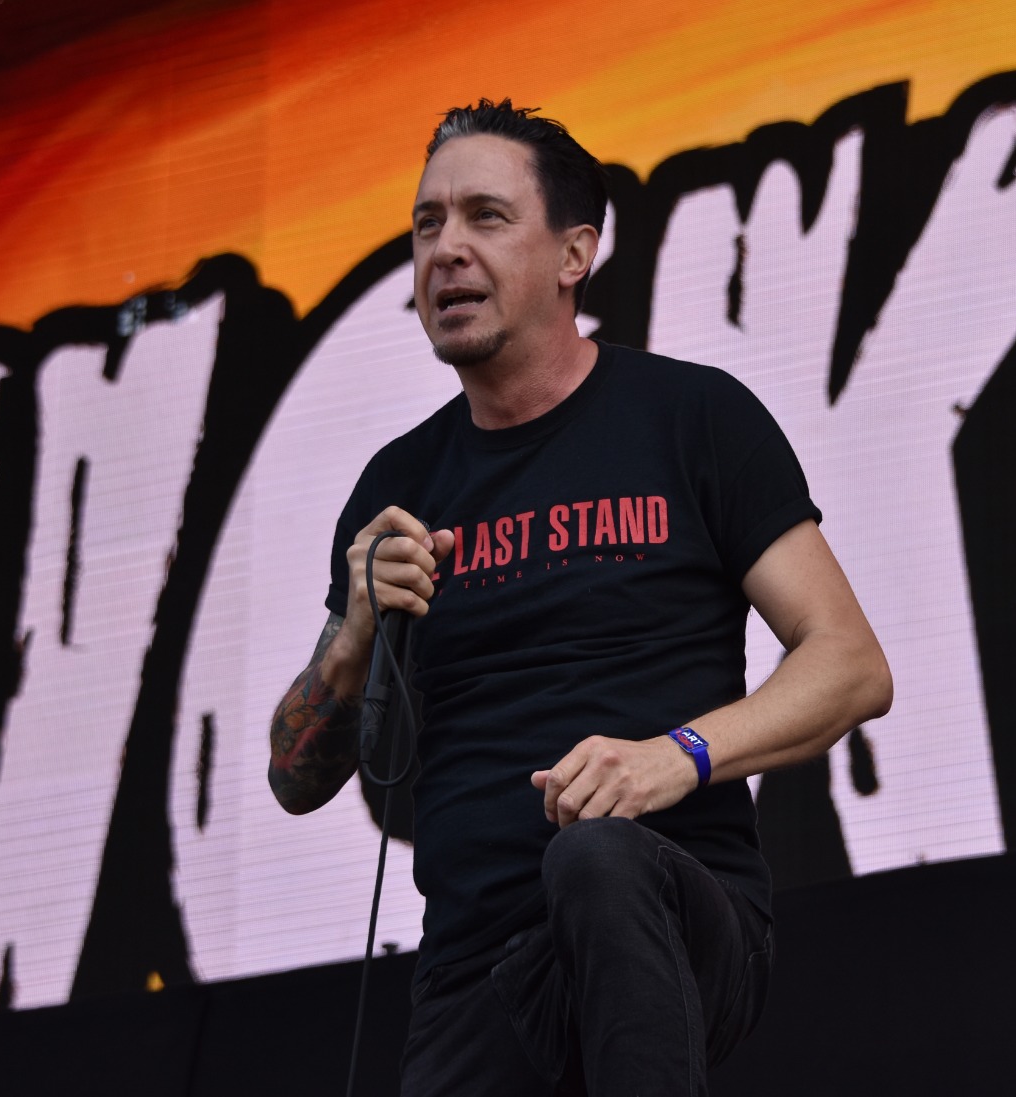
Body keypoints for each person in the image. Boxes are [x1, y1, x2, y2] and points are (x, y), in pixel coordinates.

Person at [268, 99, 892, 1095]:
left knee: (595, 858)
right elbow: (296, 778)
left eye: (485, 216)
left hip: (678, 915)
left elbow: (850, 664)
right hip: (474, 970)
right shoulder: (400, 485)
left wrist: (675, 755)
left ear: (574, 254)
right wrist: (352, 637)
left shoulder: (691, 417)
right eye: (427, 224)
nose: (445, 249)